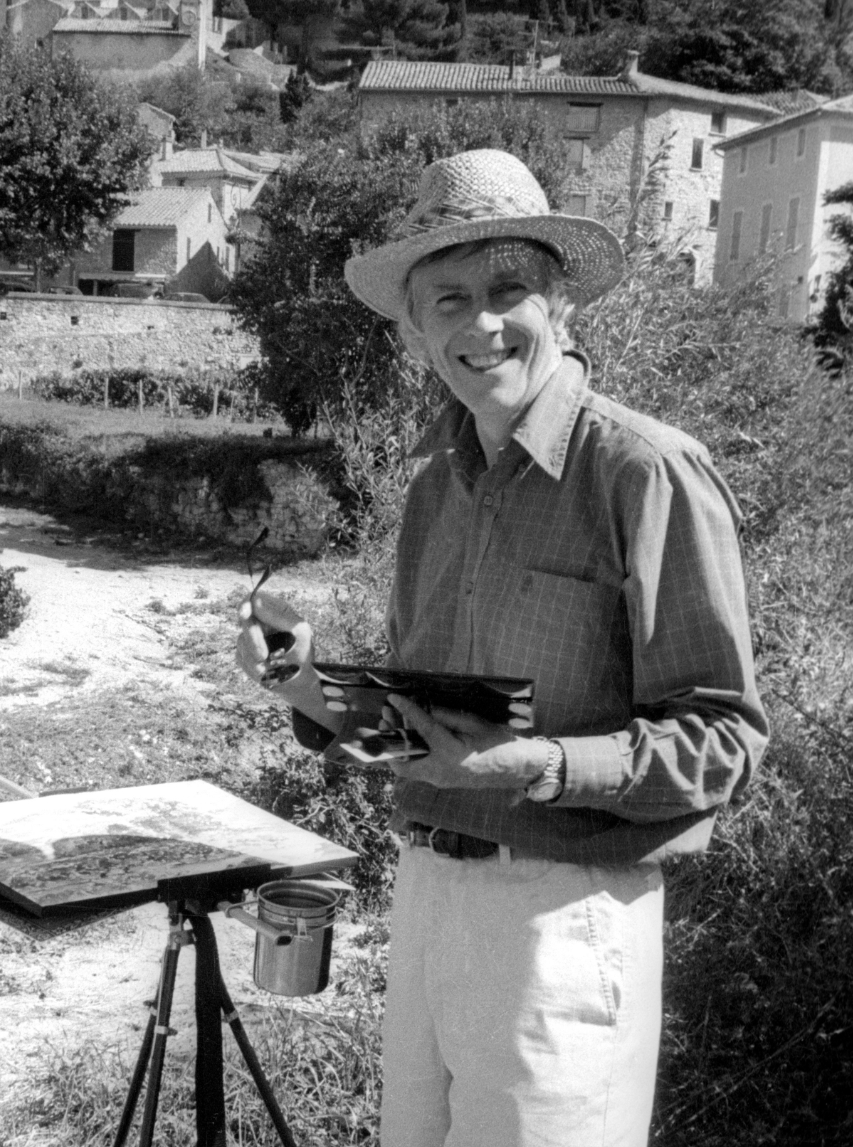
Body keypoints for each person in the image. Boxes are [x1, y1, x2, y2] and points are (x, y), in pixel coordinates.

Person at [236, 149, 767, 1147]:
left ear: (558, 302)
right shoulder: (435, 485)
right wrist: (304, 681)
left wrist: (537, 765)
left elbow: (724, 740)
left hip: (564, 913)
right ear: (417, 330)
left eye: (507, 289)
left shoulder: (644, 470)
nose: (480, 324)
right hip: (428, 896)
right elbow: (424, 724)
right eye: (448, 299)